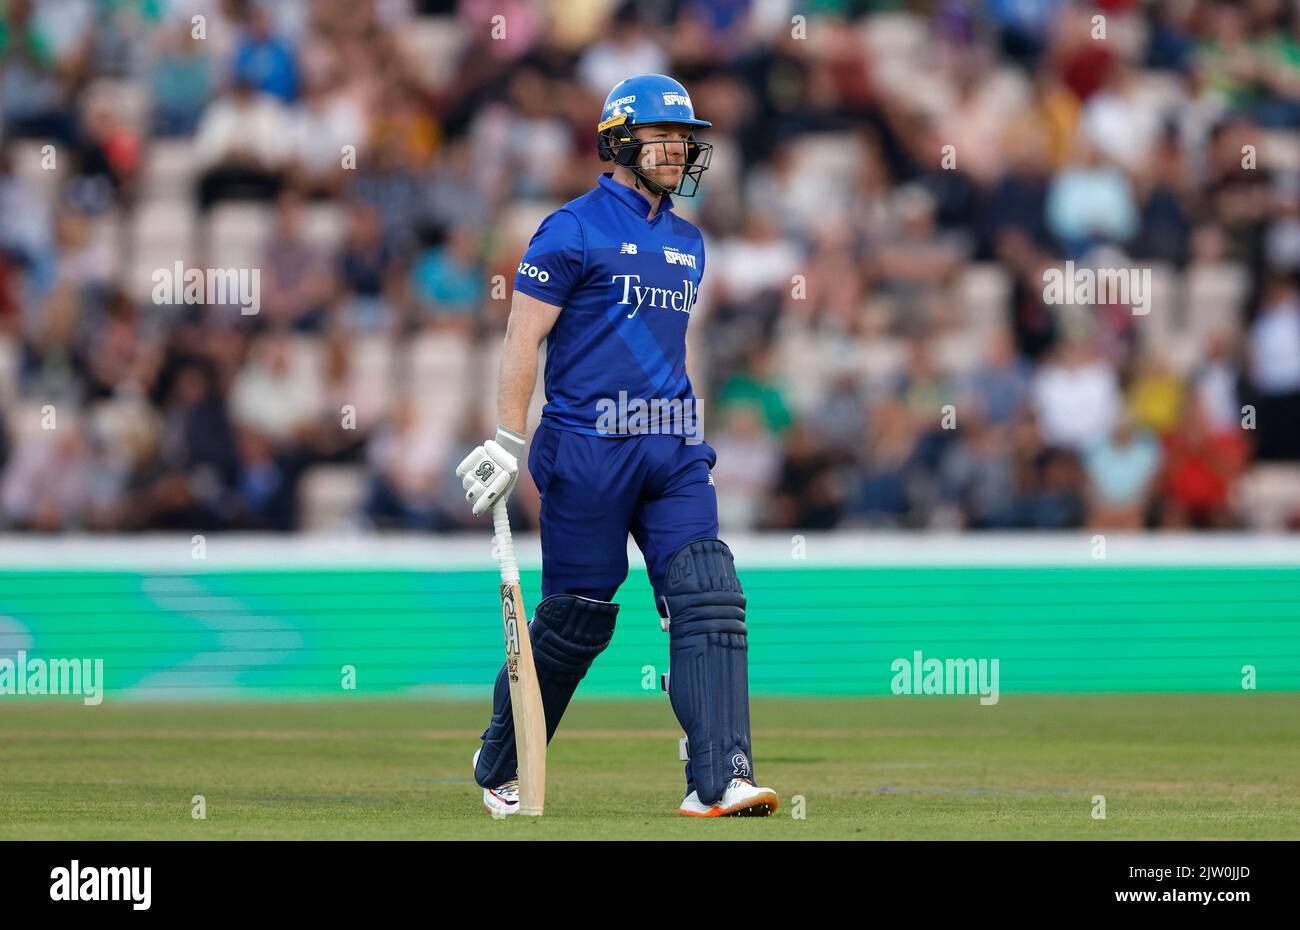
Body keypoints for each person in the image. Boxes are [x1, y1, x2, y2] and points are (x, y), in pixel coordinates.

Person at [455, 74, 778, 818]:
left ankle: (718, 779)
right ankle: (502, 761)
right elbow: (522, 337)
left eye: (686, 138)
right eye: (665, 136)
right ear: (619, 142)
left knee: (709, 594)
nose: (679, 150)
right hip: (586, 448)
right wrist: (508, 439)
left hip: (672, 446)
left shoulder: (691, 243)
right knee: (577, 619)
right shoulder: (568, 229)